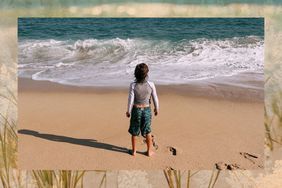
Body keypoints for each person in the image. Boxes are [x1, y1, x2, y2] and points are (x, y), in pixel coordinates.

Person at [126, 63, 159, 157]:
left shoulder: (133, 85)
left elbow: (130, 99)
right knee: (148, 131)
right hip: (147, 110)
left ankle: (134, 151)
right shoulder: (151, 84)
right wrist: (157, 108)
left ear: (135, 73)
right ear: (147, 73)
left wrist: (128, 111)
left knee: (134, 132)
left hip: (136, 110)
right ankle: (149, 151)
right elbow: (155, 98)